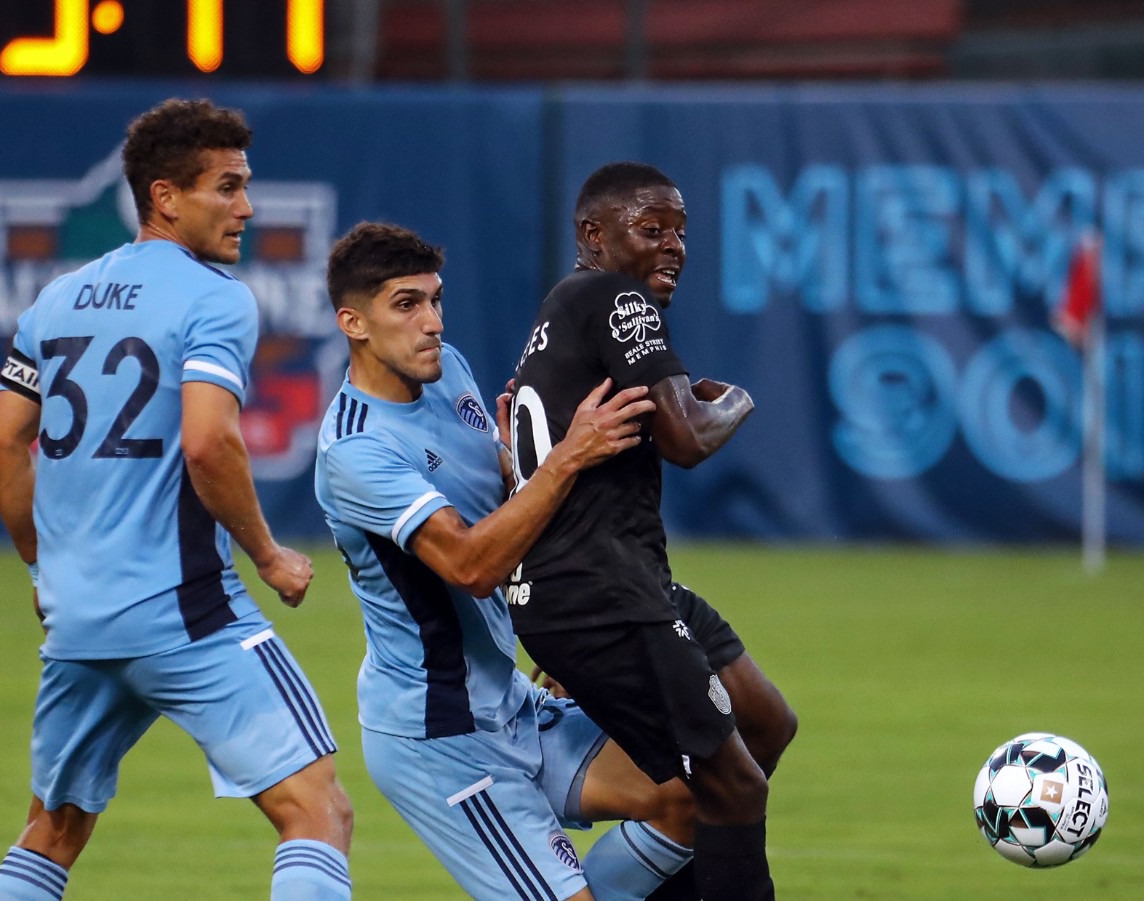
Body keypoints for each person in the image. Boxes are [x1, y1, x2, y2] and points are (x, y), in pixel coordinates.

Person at [0, 98, 353, 900]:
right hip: (184, 611)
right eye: (226, 187)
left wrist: (45, 570)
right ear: (165, 196)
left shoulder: (55, 301)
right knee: (317, 809)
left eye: (245, 186)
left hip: (78, 616)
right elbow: (209, 440)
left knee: (55, 826)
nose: (246, 207)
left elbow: (1, 443)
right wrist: (269, 553)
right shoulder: (215, 298)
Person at [314, 221, 701, 901]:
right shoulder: (354, 450)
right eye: (406, 305)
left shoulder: (446, 370)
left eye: (435, 299)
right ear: (354, 322)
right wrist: (568, 456)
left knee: (688, 793)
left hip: (510, 702)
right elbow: (470, 564)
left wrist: (559, 620)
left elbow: (506, 491)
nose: (431, 321)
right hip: (441, 736)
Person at [506, 161, 798, 901]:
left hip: (620, 579)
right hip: (602, 590)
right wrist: (735, 397)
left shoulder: (561, 311)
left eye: (681, 231)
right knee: (732, 784)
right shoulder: (616, 296)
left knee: (765, 725)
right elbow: (687, 438)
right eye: (652, 228)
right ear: (593, 235)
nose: (674, 246)